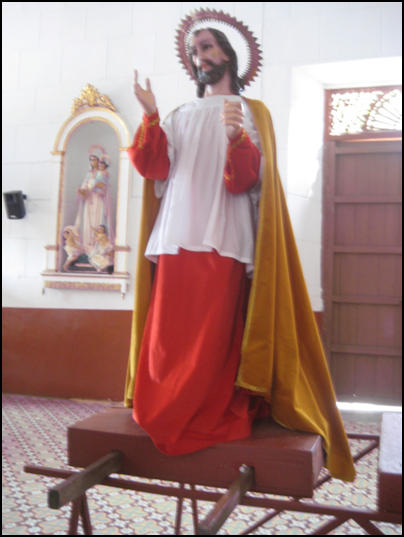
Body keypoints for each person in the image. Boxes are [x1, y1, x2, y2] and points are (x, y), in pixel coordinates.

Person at [124, 11, 355, 482]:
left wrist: (236, 138)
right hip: (175, 235)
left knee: (213, 336)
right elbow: (154, 168)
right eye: (194, 51)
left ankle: (208, 412)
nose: (200, 57)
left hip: (224, 237)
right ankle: (163, 408)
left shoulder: (254, 113)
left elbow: (245, 182)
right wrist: (149, 115)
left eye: (207, 47)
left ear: (228, 55)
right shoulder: (178, 116)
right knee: (169, 335)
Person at [74, 147, 114, 256]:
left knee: (97, 220)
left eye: (94, 159)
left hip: (98, 200)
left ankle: (97, 246)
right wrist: (83, 190)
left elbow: (104, 187)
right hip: (89, 200)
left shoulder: (103, 173)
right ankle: (87, 245)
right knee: (88, 222)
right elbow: (85, 184)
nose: (92, 162)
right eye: (90, 160)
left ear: (99, 160)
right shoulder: (89, 173)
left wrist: (96, 187)